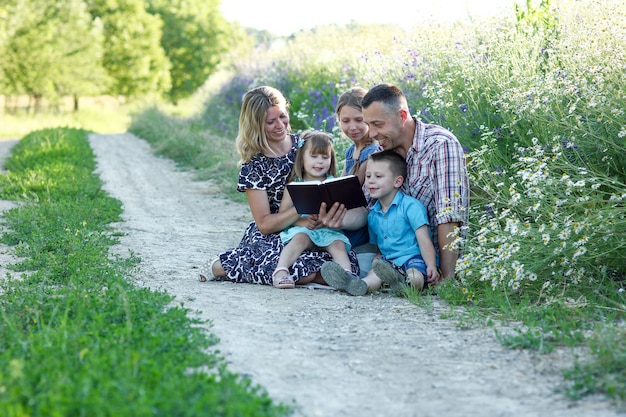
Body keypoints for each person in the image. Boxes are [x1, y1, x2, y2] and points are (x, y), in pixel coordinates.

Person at [199, 86, 358, 285]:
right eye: (270, 122)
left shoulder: (303, 145)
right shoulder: (254, 166)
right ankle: (224, 265)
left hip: (317, 228)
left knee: (344, 256)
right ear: (256, 124)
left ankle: (333, 277)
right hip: (275, 231)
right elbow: (265, 224)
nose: (280, 125)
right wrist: (303, 210)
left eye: (282, 117)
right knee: (301, 270)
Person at [319, 83, 469, 286]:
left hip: (425, 260)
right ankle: (364, 283)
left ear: (402, 116)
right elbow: (367, 208)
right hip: (387, 257)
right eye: (369, 124)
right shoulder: (378, 153)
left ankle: (410, 281)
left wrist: (447, 277)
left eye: (378, 125)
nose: (371, 134)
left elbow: (449, 217)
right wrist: (338, 218)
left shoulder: (440, 145)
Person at [322, 150, 440, 295]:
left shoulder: (411, 206)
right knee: (373, 275)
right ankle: (355, 284)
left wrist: (431, 266)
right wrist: (377, 257)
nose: (371, 181)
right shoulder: (373, 214)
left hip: (412, 259)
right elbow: (379, 246)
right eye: (368, 176)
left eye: (378, 176)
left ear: (397, 181)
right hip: (388, 262)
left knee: (415, 276)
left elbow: (424, 241)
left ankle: (404, 284)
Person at [273, 130, 355, 288]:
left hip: (327, 229)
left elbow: (340, 209)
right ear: (302, 157)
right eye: (314, 156)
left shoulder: (334, 183)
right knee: (300, 239)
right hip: (303, 229)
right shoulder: (294, 185)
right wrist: (302, 221)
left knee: (338, 244)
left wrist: (329, 219)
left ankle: (348, 277)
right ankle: (281, 271)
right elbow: (282, 214)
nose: (319, 162)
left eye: (325, 157)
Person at [335, 87, 382, 276]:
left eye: (359, 120)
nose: (352, 127)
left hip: (362, 220)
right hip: (351, 212)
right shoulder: (350, 151)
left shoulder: (371, 151)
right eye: (345, 121)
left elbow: (350, 190)